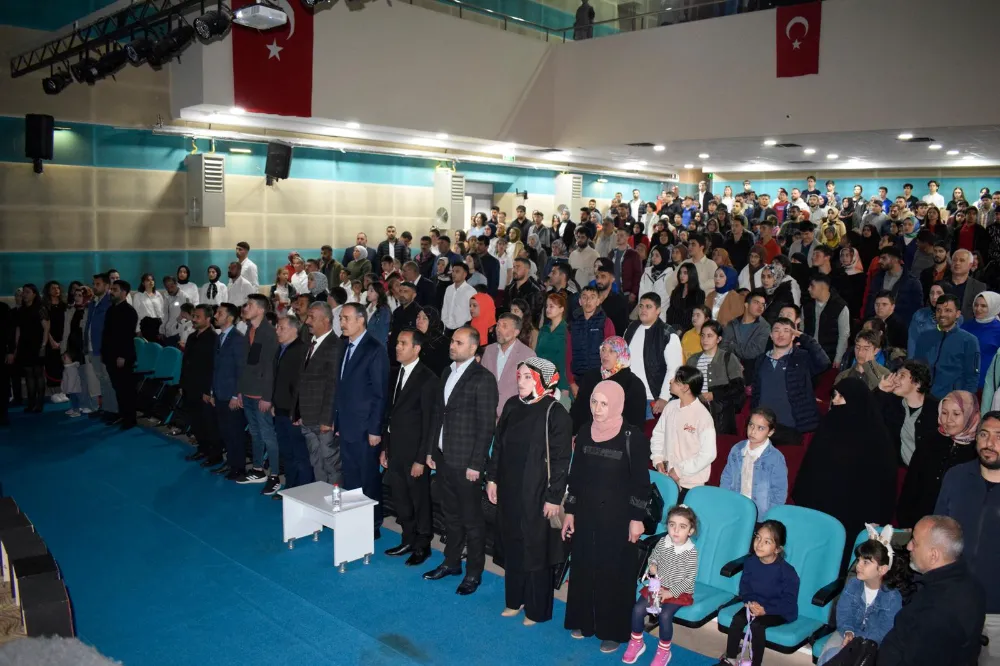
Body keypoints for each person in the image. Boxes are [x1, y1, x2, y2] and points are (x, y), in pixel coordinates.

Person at [562, 380, 652, 653]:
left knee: (613, 573)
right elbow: (576, 476)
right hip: (586, 514)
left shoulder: (632, 437)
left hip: (618, 519)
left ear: (616, 405)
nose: (597, 408)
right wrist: (570, 511)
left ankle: (612, 630)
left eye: (604, 403)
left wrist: (636, 519)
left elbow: (641, 483)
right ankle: (584, 621)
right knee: (584, 566)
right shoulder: (585, 431)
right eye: (594, 402)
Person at [486, 358, 571, 625]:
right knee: (513, 543)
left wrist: (553, 497)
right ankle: (514, 600)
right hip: (510, 490)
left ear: (542, 381)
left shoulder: (556, 413)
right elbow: (498, 446)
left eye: (526, 377)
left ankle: (536, 609)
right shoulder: (512, 405)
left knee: (536, 550)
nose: (520, 382)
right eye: (519, 376)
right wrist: (492, 479)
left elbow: (561, 460)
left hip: (538, 493)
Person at [422, 327, 499, 596]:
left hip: (467, 463)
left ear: (473, 348)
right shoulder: (447, 372)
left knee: (472, 521)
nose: (452, 345)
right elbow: (438, 414)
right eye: (452, 341)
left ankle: (474, 573)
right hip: (444, 458)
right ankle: (451, 562)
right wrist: (431, 451)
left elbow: (486, 426)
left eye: (458, 342)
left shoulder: (483, 378)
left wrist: (476, 464)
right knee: (451, 516)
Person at [793, 378, 897, 555]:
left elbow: (883, 481)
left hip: (855, 513)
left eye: (841, 396)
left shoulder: (876, 435)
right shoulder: (829, 424)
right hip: (821, 507)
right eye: (834, 396)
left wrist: (876, 517)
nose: (835, 401)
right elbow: (810, 467)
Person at [935, 411, 1000, 662]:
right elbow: (938, 534)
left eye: (999, 436)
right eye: (984, 434)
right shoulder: (957, 477)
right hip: (950, 602)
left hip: (995, 613)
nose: (989, 442)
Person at [877, 516, 986, 666]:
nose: (908, 546)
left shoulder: (937, 611)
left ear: (933, 555)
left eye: (914, 542)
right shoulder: (971, 583)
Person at [381, 329, 437, 567]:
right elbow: (389, 414)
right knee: (401, 498)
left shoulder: (428, 379)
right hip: (395, 449)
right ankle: (407, 539)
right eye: (397, 343)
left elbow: (430, 423)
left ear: (417, 348)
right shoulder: (395, 373)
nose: (397, 347)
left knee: (419, 501)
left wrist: (421, 459)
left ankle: (423, 545)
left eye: (403, 343)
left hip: (415, 453)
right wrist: (385, 448)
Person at [334, 303, 389, 536]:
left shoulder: (374, 349)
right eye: (341, 319)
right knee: (351, 476)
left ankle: (372, 523)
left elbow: (380, 394)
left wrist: (375, 429)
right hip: (347, 424)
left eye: (346, 319)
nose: (342, 323)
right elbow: (341, 388)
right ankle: (355, 517)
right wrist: (338, 422)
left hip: (366, 427)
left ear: (361, 320)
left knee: (368, 477)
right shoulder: (344, 347)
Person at [816, 526, 907, 666]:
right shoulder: (853, 584)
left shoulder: (892, 598)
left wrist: (857, 639)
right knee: (828, 656)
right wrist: (848, 631)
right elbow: (844, 612)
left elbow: (885, 630)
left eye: (866, 562)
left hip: (874, 642)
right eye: (858, 560)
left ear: (882, 569)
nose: (858, 566)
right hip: (847, 632)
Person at [623, 505, 699, 665]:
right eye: (672, 525)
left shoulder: (691, 552)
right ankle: (637, 642)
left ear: (690, 531)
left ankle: (664, 650)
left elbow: (689, 580)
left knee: (665, 615)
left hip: (679, 592)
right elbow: (654, 556)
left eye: (682, 526)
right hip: (657, 586)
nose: (676, 530)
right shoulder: (663, 541)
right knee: (638, 609)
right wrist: (653, 565)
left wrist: (670, 593)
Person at [717, 520, 799, 666]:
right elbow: (744, 587)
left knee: (757, 626)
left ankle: (756, 663)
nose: (759, 544)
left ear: (777, 549)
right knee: (737, 620)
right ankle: (730, 657)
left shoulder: (788, 572)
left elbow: (789, 603)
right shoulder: (751, 562)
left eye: (767, 542)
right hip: (755, 605)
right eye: (758, 538)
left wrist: (766, 610)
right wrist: (749, 601)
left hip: (779, 610)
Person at [897, 390, 980, 529]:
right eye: (944, 413)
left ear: (970, 415)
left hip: (957, 528)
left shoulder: (977, 451)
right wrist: (906, 522)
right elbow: (911, 485)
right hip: (919, 523)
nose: (949, 420)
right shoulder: (930, 442)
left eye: (956, 414)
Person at [750, 317, 829, 446]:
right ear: (771, 335)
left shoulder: (802, 358)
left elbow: (824, 362)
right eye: (776, 330)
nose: (781, 334)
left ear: (793, 336)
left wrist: (802, 336)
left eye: (786, 330)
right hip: (763, 427)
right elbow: (756, 392)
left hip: (792, 428)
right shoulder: (761, 360)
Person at [236, 294, 281, 491]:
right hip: (248, 391)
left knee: (268, 435)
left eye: (250, 305)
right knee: (255, 433)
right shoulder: (250, 329)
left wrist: (267, 397)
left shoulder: (269, 333)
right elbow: (245, 364)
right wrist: (240, 390)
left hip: (261, 394)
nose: (245, 307)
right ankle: (257, 469)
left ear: (261, 310)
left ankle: (275, 475)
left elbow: (270, 368)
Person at [649, 366, 716, 496]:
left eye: (675, 380)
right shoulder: (670, 407)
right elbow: (658, 435)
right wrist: (657, 460)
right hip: (666, 479)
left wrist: (680, 470)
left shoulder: (703, 416)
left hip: (690, 485)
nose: (670, 381)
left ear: (685, 387)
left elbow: (708, 454)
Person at [297, 302, 343, 485]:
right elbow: (303, 380)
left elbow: (333, 385)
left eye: (312, 317)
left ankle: (335, 499)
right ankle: (321, 496)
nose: (307, 321)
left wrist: (327, 420)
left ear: (325, 320)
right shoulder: (312, 344)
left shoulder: (335, 345)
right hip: (308, 417)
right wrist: (298, 412)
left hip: (322, 420)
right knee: (316, 462)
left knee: (331, 464)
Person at [570, 336, 647, 437]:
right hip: (586, 438)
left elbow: (634, 425)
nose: (605, 355)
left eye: (611, 351)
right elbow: (578, 411)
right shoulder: (591, 377)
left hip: (616, 442)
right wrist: (572, 434)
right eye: (603, 350)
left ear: (622, 354)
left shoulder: (633, 384)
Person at [624, 293, 684, 420]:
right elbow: (622, 360)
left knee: (651, 433)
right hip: (630, 396)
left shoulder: (667, 334)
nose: (643, 310)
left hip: (653, 399)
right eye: (641, 306)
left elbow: (674, 369)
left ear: (658, 310)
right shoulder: (631, 328)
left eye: (648, 306)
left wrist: (664, 397)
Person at [719, 407, 788, 515]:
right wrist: (726, 501)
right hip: (735, 506)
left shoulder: (776, 458)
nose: (753, 431)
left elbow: (779, 493)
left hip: (760, 513)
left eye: (760, 428)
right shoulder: (737, 449)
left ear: (770, 432)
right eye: (751, 425)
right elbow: (727, 478)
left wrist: (768, 516)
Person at [271, 315, 311, 493]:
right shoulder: (281, 349)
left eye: (282, 328)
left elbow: (302, 385)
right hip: (280, 409)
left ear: (294, 330)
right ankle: (290, 487)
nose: (277, 331)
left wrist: (299, 412)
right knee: (287, 452)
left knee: (300, 454)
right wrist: (274, 403)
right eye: (277, 327)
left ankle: (302, 491)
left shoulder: (302, 350)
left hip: (293, 412)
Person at [912, 294, 980, 397]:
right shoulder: (924, 337)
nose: (942, 314)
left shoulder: (969, 341)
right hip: (923, 397)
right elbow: (916, 367)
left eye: (948, 310)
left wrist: (964, 401)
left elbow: (972, 378)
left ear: (958, 314)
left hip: (951, 400)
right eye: (939, 310)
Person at [686, 320, 745, 434]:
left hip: (722, 417)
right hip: (696, 414)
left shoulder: (728, 358)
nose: (705, 339)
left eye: (710, 336)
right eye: (702, 335)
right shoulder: (692, 360)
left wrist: (714, 394)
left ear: (719, 339)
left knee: (720, 443)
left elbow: (738, 387)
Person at [210, 303, 248, 479]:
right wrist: (212, 391)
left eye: (220, 313)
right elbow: (216, 367)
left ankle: (238, 467)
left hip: (231, 395)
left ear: (230, 317)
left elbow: (241, 369)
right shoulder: (220, 337)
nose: (216, 315)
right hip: (220, 392)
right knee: (225, 432)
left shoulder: (238, 339)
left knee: (235, 433)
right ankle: (231, 462)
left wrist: (235, 394)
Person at [482, 313, 536, 419]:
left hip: (512, 415)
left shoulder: (528, 355)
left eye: (504, 326)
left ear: (516, 332)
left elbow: (530, 391)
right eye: (498, 325)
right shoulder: (489, 350)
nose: (498, 329)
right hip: (487, 412)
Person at [100, 280, 138, 429]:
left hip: (123, 357)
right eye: (111, 289)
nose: (111, 292)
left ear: (123, 292)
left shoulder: (129, 311)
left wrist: (123, 356)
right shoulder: (111, 310)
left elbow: (127, 336)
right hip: (110, 355)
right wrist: (104, 352)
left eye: (114, 290)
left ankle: (130, 419)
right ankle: (122, 415)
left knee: (126, 388)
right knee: (118, 388)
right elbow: (107, 333)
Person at [567, 286, 616, 397]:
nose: (588, 301)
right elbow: (568, 354)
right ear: (580, 301)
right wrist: (571, 382)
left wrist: (608, 379)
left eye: (592, 297)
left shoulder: (606, 323)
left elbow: (612, 354)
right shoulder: (572, 324)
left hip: (600, 379)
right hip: (578, 381)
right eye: (584, 297)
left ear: (598, 301)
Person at [721, 290, 772, 383]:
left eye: (763, 304)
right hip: (729, 373)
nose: (760, 307)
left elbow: (753, 352)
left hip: (752, 375)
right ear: (746, 305)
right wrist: (733, 363)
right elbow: (722, 348)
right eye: (756, 302)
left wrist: (732, 345)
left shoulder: (764, 327)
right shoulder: (732, 324)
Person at [863, 246, 922, 324]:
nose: (879, 261)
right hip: (876, 324)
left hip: (901, 326)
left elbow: (916, 309)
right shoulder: (877, 278)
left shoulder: (912, 282)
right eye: (880, 258)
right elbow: (870, 303)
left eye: (884, 258)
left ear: (895, 260)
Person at [13, 284, 48, 413]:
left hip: (37, 344)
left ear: (34, 294)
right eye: (24, 292)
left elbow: (46, 328)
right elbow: (18, 330)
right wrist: (16, 347)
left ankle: (39, 403)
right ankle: (31, 402)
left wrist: (43, 345)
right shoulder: (21, 310)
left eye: (27, 292)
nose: (24, 294)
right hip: (24, 345)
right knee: (28, 374)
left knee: (38, 373)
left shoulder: (40, 308)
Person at [803, 274, 850, 367]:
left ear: (822, 287)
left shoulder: (840, 307)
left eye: (812, 286)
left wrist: (838, 358)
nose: (808, 289)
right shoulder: (807, 306)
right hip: (808, 354)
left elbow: (844, 335)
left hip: (828, 357)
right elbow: (801, 330)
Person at [908, 282, 959, 358]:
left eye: (939, 293)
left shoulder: (957, 318)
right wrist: (910, 363)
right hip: (921, 360)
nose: (934, 297)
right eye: (932, 293)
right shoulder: (919, 315)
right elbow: (912, 342)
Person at [961, 291, 1000, 389]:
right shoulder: (965, 326)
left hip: (987, 384)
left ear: (993, 307)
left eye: (983, 306)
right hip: (962, 380)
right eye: (976, 305)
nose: (978, 309)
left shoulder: (998, 329)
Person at [948, 249, 987, 322]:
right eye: (954, 260)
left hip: (968, 326)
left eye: (962, 260)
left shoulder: (979, 287)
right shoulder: (940, 285)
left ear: (970, 265)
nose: (957, 263)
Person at [666, 263, 705, 332]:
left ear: (692, 274)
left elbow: (696, 315)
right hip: (673, 329)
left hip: (689, 330)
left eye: (685, 273)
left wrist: (682, 330)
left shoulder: (699, 293)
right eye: (680, 273)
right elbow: (670, 312)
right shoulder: (675, 292)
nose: (681, 275)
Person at [441, 262, 477, 334]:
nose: (453, 274)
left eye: (457, 271)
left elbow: (473, 312)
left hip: (462, 329)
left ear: (464, 274)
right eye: (453, 271)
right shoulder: (449, 289)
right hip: (447, 327)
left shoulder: (471, 291)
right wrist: (443, 325)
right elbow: (445, 308)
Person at [639, 247, 673, 322]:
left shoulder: (670, 274)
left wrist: (653, 308)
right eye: (652, 255)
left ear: (664, 257)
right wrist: (644, 307)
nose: (653, 258)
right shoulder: (646, 273)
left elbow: (666, 296)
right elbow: (641, 292)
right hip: (645, 312)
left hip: (661, 314)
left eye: (657, 255)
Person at [415, 306, 449, 376]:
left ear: (432, 321)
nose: (419, 321)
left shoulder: (443, 342)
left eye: (425, 318)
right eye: (418, 317)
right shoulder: (414, 338)